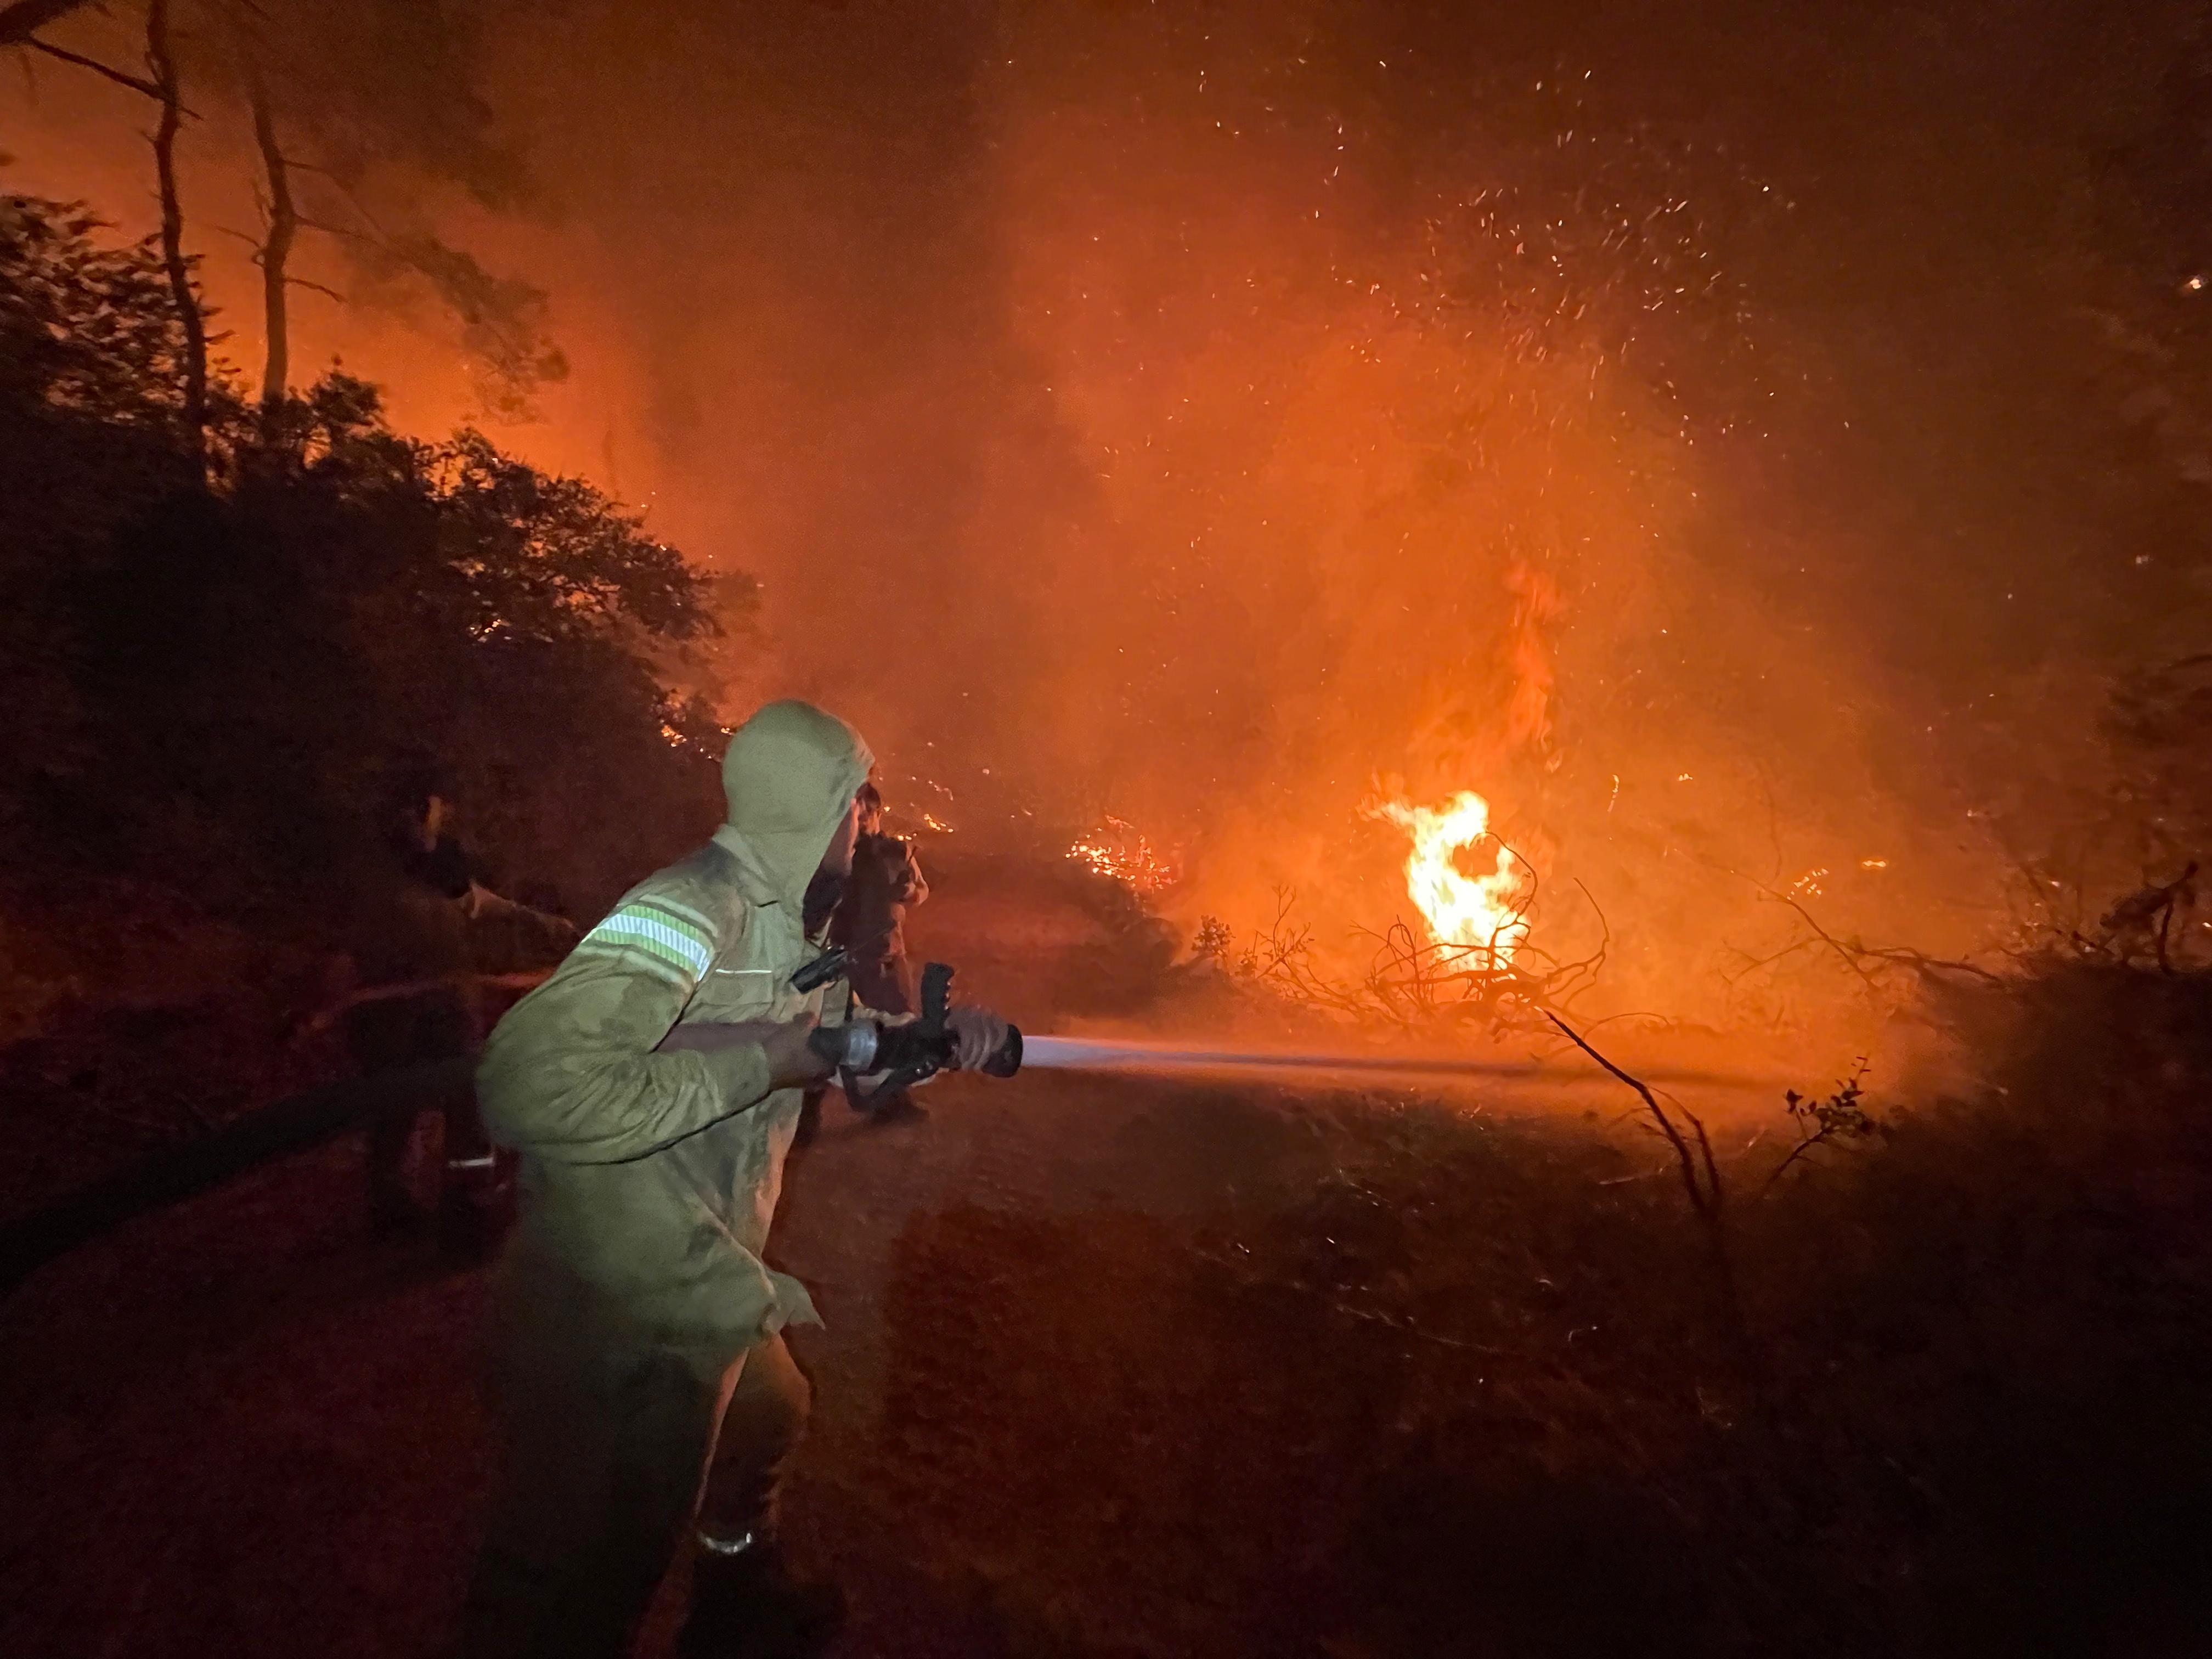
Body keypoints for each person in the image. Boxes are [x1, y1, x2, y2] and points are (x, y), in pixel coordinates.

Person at [459, 700, 1008, 1659]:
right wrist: (760, 1064)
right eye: (857, 809)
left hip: (699, 1267)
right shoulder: (685, 910)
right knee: (589, 1558)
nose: (868, 828)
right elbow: (527, 1082)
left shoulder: (806, 936)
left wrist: (931, 1045)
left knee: (770, 1407)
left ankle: (733, 1589)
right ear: (816, 805)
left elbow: (847, 1060)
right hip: (613, 1287)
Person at [342, 774, 574, 1257]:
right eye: (433, 809)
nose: (438, 817)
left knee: (463, 1101)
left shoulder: (437, 869)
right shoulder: (371, 876)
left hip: (443, 1008)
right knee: (400, 1107)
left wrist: (547, 925)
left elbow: (480, 904)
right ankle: (402, 1206)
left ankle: (462, 1207)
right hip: (396, 1011)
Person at [827, 780, 930, 1118]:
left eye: (870, 811)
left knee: (901, 1023)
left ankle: (894, 1101)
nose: (866, 817)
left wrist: (908, 891)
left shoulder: (895, 852)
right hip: (851, 954)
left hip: (891, 951)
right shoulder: (839, 853)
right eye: (859, 810)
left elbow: (922, 891)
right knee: (848, 1028)